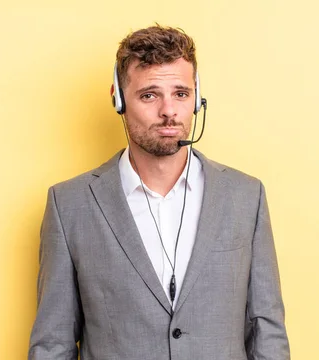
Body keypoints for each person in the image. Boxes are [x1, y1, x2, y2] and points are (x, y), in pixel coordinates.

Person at [28, 24, 290, 360]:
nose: (169, 111)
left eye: (181, 94)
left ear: (197, 99)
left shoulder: (245, 196)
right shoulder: (69, 206)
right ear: (119, 99)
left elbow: (267, 332)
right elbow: (52, 344)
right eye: (149, 95)